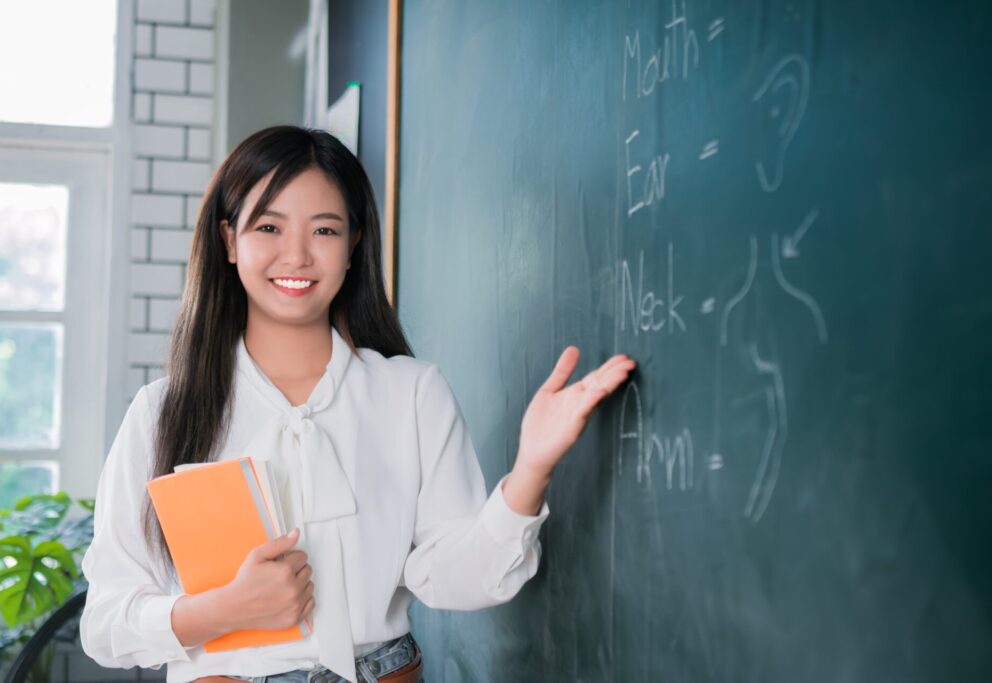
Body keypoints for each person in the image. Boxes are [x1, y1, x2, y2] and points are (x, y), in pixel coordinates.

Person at [79, 126, 636, 683]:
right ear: (229, 240)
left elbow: (456, 577)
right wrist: (222, 610)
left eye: (324, 229)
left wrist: (531, 469)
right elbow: (105, 623)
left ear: (354, 245)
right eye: (269, 226)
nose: (296, 254)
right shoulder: (161, 412)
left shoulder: (412, 392)